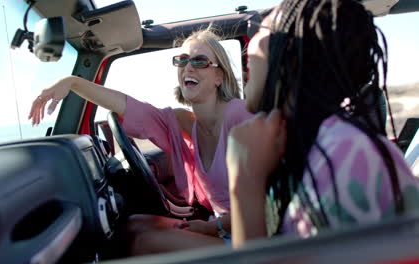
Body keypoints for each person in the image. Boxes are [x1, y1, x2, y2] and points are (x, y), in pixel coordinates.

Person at [29, 28, 253, 254]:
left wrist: (210, 228)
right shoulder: (183, 122)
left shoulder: (239, 117)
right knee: (132, 226)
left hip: (256, 241)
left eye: (200, 61)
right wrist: (72, 83)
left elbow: (263, 204)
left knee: (141, 243)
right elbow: (128, 106)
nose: (188, 67)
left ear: (219, 76)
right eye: (182, 60)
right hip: (225, 229)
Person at [226, 0, 419, 249]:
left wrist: (245, 180)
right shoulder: (315, 144)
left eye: (263, 29)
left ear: (291, 54)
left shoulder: (347, 154)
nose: (249, 47)